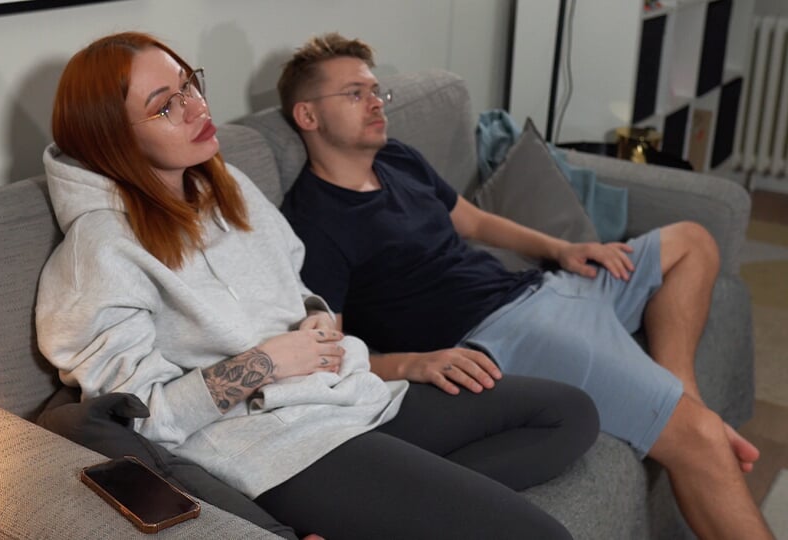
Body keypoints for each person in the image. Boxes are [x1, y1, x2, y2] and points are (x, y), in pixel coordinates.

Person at [35, 31, 600, 540]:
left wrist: (318, 319)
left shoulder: (223, 185)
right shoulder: (99, 251)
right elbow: (141, 420)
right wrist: (263, 364)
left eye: (190, 85)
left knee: (568, 413)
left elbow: (297, 287)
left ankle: (382, 517)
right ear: (113, 138)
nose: (197, 107)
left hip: (345, 394)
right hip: (278, 447)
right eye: (166, 106)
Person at [277, 32, 774, 540]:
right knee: (699, 436)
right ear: (308, 115)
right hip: (511, 334)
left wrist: (563, 249)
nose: (376, 104)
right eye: (354, 94)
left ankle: (682, 388)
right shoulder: (314, 222)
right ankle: (687, 411)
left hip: (542, 286)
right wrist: (410, 364)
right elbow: (329, 354)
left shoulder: (397, 158)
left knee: (692, 242)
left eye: (376, 91)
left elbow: (473, 221)